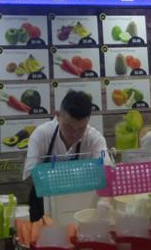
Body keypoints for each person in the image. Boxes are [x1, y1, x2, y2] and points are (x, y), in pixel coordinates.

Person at [23, 90, 110, 221]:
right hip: (43, 205)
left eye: (81, 129)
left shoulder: (94, 139)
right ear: (58, 116)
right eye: (69, 127)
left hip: (79, 203)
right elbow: (29, 176)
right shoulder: (41, 134)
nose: (74, 134)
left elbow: (108, 173)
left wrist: (104, 203)